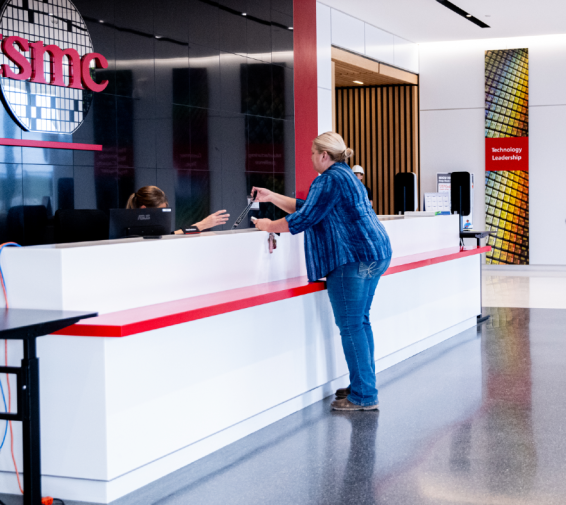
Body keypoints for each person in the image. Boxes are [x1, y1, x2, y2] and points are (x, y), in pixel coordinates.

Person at [251, 132, 392, 411]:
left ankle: (364, 396)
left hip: (351, 258)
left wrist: (267, 226)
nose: (311, 158)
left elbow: (303, 219)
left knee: (352, 326)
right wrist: (272, 197)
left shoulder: (328, 179)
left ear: (323, 155)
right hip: (376, 253)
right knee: (360, 323)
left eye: (313, 154)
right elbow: (311, 208)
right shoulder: (346, 175)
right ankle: (363, 385)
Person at [126, 186, 230, 234]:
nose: (163, 217)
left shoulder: (154, 229)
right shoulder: (128, 234)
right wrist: (202, 225)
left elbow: (172, 235)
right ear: (144, 209)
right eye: (160, 212)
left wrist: (202, 225)